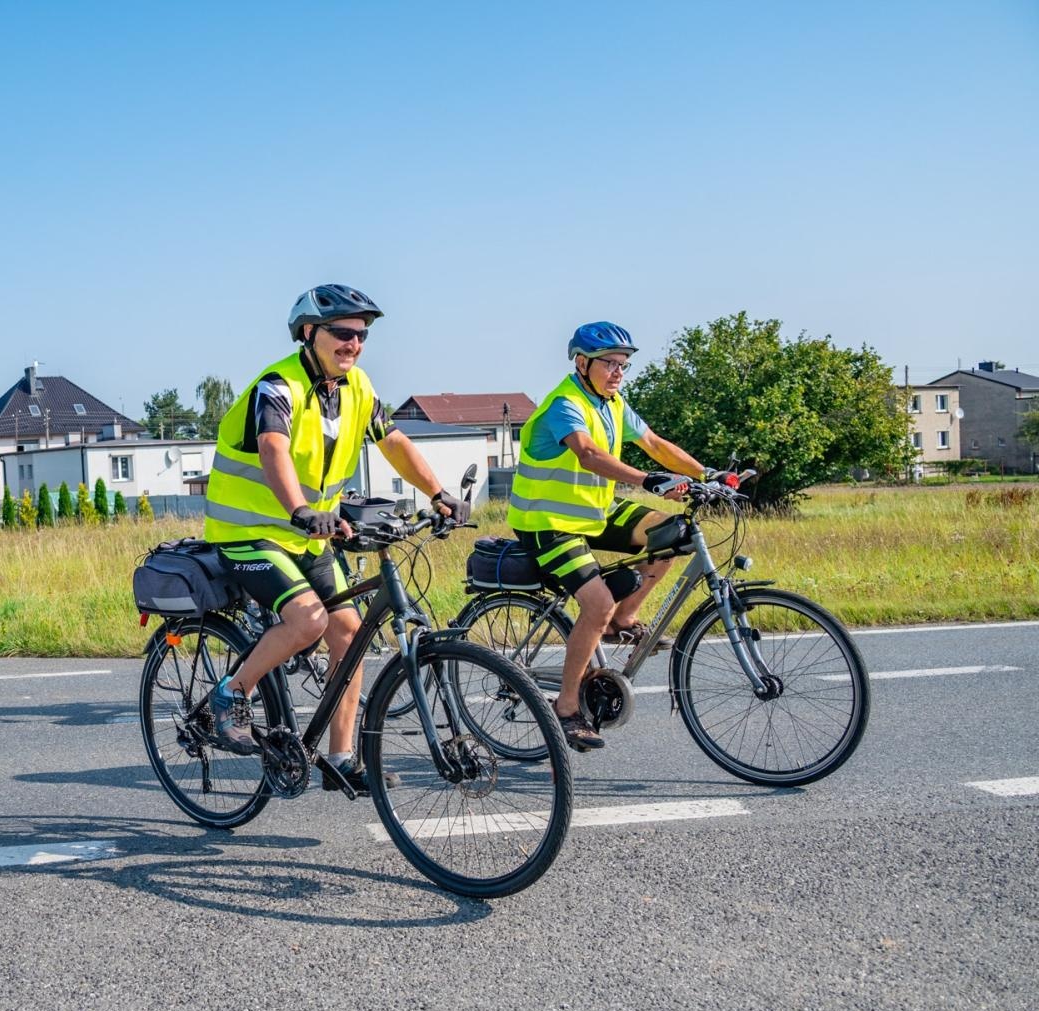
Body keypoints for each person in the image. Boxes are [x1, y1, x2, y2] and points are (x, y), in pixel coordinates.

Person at [202, 284, 471, 795]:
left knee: (349, 635)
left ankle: (340, 758)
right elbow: (272, 448)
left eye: (362, 335)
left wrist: (438, 492)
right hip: (250, 533)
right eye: (343, 333)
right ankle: (231, 692)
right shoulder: (279, 386)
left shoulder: (358, 389)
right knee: (308, 620)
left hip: (309, 536)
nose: (354, 343)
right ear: (309, 333)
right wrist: (301, 510)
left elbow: (392, 441)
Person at [505, 321, 709, 752]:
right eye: (609, 364)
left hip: (592, 514)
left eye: (623, 365)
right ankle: (565, 707)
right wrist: (648, 481)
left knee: (673, 532)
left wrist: (706, 475)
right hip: (547, 522)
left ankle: (623, 618)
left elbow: (653, 442)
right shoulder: (566, 403)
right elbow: (588, 453)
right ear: (582, 363)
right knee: (595, 602)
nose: (618, 372)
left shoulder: (613, 403)